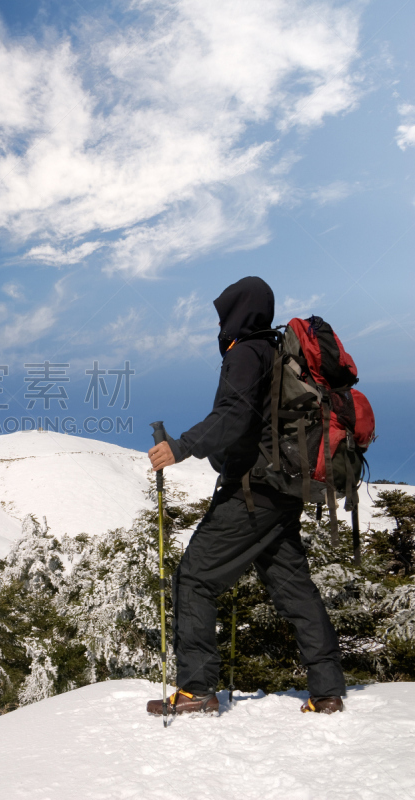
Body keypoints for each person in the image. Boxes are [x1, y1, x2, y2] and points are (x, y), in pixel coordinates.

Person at [145, 276, 345, 716]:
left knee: (195, 577)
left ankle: (197, 689)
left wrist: (181, 446)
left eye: (224, 313)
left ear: (237, 313)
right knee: (293, 588)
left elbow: (233, 416)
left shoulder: (247, 353)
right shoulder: (275, 351)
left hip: (254, 492)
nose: (220, 322)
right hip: (285, 490)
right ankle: (327, 688)